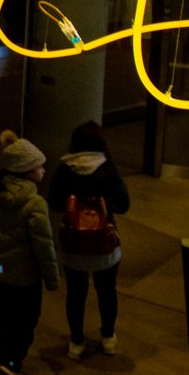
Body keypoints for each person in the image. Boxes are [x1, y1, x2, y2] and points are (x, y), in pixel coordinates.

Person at [0, 130, 59, 375]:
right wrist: (52, 279)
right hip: (25, 277)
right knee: (25, 321)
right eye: (39, 166)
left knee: (3, 316)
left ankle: (2, 355)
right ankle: (12, 363)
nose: (43, 170)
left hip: (1, 272)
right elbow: (43, 246)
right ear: (27, 171)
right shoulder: (34, 203)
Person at [49, 121, 130, 358]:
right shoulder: (109, 169)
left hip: (74, 243)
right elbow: (124, 205)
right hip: (104, 243)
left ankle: (76, 341)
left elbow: (54, 203)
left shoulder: (65, 169)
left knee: (76, 293)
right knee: (107, 291)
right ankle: (108, 338)